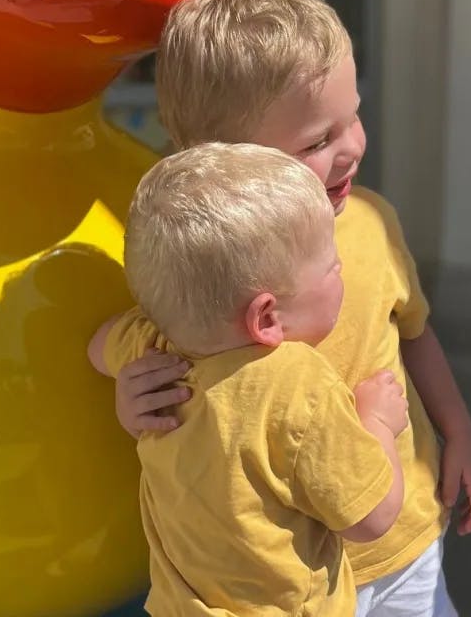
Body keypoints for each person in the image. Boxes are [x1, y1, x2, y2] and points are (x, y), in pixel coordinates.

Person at [101, 0, 471, 615]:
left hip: (407, 538)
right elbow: (144, 349)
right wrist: (128, 391)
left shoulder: (373, 223)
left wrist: (459, 429)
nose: (353, 148)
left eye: (352, 116)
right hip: (286, 582)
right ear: (219, 160)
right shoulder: (201, 261)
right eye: (316, 142)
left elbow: (412, 333)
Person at [89, 141, 409, 616]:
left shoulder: (152, 347)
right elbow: (372, 517)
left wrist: (126, 388)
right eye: (332, 267)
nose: (342, 273)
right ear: (267, 318)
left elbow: (98, 346)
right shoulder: (298, 385)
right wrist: (378, 422)